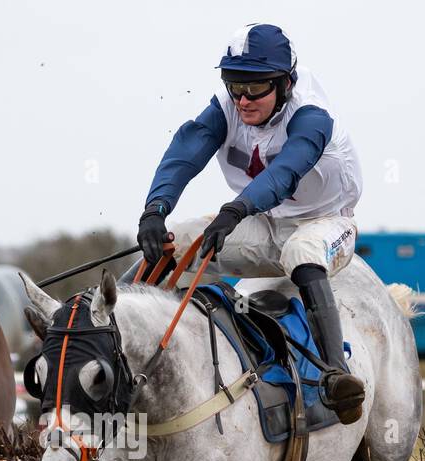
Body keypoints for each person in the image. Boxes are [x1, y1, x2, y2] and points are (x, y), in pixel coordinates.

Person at [136, 23, 366, 423]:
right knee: (181, 239)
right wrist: (155, 209)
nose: (242, 100)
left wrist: (236, 210)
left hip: (326, 224)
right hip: (261, 221)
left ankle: (335, 374)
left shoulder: (312, 116)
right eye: (233, 85)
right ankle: (106, 331)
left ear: (286, 83)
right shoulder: (228, 105)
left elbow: (284, 174)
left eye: (255, 88)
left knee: (302, 251)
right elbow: (186, 151)